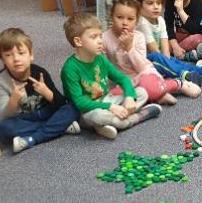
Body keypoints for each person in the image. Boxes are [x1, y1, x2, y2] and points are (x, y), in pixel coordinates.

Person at [60, 12, 158, 140]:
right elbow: (79, 102)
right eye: (94, 37)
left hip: (106, 100)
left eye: (100, 36)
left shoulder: (100, 58)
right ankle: (132, 119)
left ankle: (110, 123)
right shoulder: (70, 69)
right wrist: (110, 107)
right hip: (86, 111)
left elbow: (122, 79)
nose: (100, 41)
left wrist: (129, 97)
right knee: (99, 116)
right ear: (78, 41)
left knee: (142, 92)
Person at [102, 0, 201, 106]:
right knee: (112, 98)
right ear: (111, 16)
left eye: (130, 19)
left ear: (136, 21)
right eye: (120, 17)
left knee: (148, 87)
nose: (125, 22)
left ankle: (177, 84)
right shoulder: (104, 38)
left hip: (142, 75)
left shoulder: (139, 37)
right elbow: (103, 68)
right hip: (122, 81)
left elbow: (141, 66)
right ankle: (158, 95)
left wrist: (129, 48)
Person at [0, 28, 79, 154]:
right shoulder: (0, 81)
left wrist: (46, 92)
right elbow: (6, 115)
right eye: (8, 55)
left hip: (47, 111)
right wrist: (14, 100)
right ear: (2, 59)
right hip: (25, 118)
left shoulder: (39, 72)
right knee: (4, 128)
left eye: (21, 53)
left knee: (73, 108)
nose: (16, 59)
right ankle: (60, 127)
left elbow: (61, 103)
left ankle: (32, 138)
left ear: (31, 55)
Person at [134, 0, 202, 84]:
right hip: (145, 63)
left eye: (158, 3)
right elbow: (154, 51)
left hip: (159, 59)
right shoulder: (142, 23)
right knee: (161, 59)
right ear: (139, 6)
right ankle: (184, 75)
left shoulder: (160, 20)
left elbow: (165, 47)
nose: (156, 6)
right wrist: (166, 61)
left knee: (176, 62)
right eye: (150, 3)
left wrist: (167, 60)